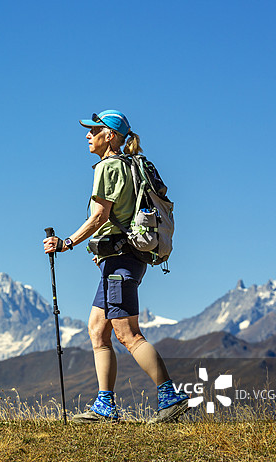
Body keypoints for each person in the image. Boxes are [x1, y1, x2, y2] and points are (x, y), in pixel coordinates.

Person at [43, 109, 189, 424]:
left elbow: (99, 217)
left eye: (94, 130)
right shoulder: (129, 166)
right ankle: (104, 406)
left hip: (120, 262)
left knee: (128, 334)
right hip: (122, 261)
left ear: (110, 136)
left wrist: (66, 243)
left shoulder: (109, 167)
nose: (87, 135)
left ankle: (170, 397)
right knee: (97, 330)